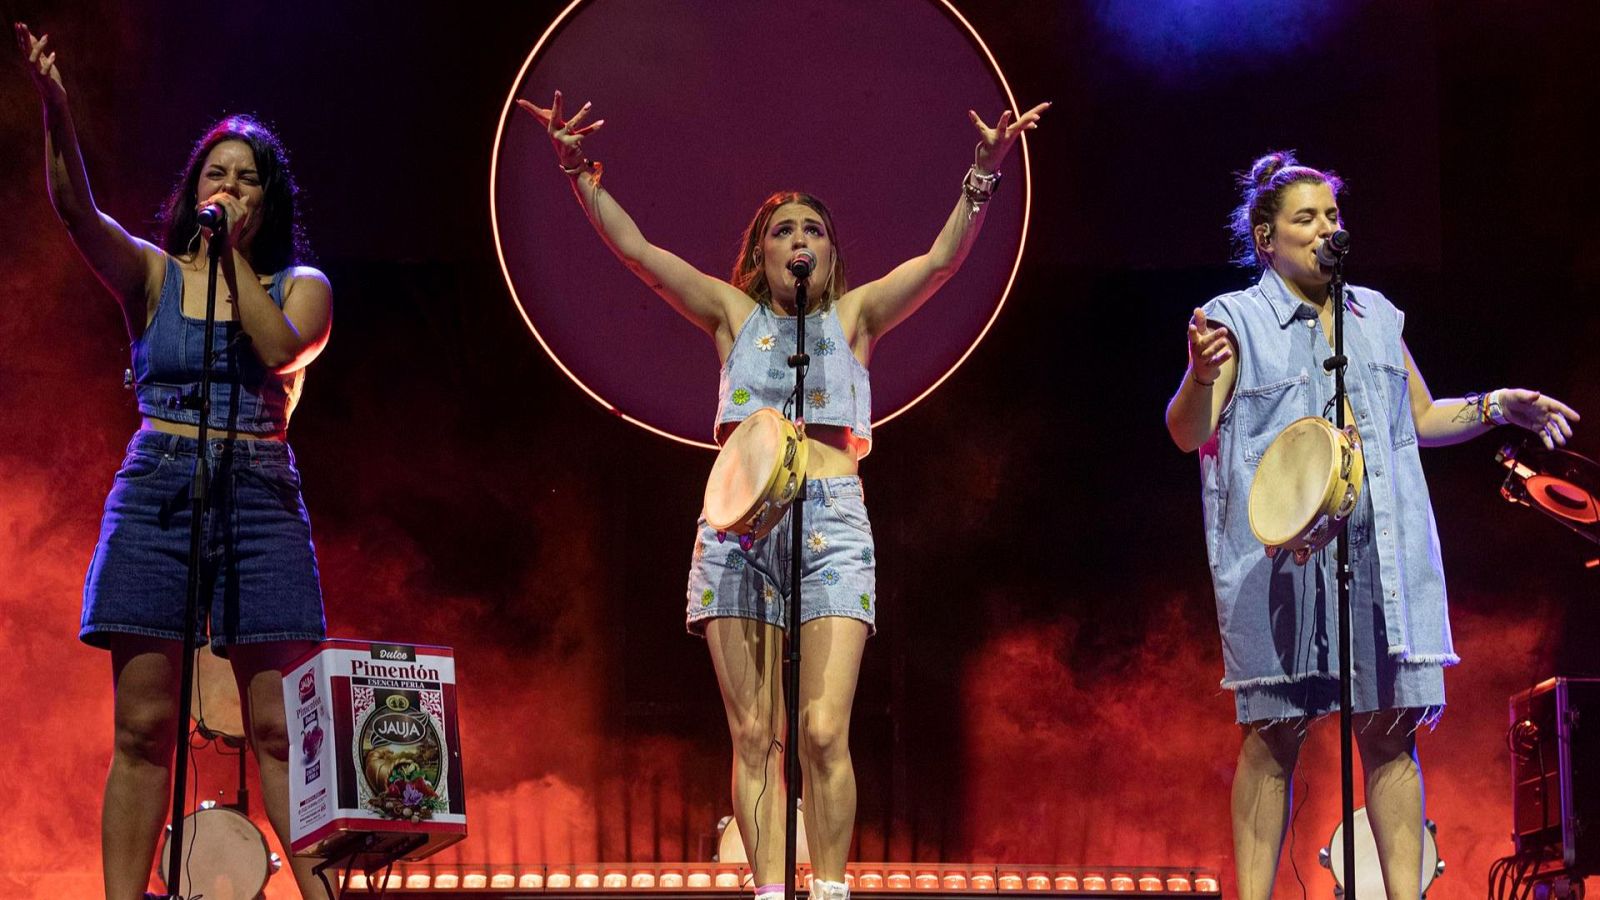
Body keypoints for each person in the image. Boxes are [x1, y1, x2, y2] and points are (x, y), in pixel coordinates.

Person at [518, 89, 1046, 900]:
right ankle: (768, 892)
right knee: (756, 733)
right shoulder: (732, 316)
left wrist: (982, 172)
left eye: (814, 230)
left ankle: (830, 890)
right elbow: (640, 255)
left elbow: (941, 262)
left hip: (833, 523)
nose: (799, 240)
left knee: (822, 731)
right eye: (782, 229)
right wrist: (578, 173)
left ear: (832, 253)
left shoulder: (858, 318)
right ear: (758, 252)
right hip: (737, 533)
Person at [1164, 150, 1580, 900]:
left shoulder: (1376, 316)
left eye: (1332, 214)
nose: (1327, 227)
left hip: (1378, 554)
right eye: (1306, 218)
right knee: (1273, 738)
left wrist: (1495, 405)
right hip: (1281, 564)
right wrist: (1198, 374)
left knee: (1390, 735)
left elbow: (1418, 416)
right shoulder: (1233, 319)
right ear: (1266, 239)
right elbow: (1188, 433)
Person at [17, 23, 334, 900]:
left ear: (266, 200)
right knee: (145, 725)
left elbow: (275, 354)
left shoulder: (298, 286)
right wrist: (57, 111)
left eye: (246, 177)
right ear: (193, 187)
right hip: (158, 486)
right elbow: (76, 212)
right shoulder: (152, 275)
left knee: (277, 728)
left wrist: (230, 260)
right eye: (214, 173)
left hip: (261, 496)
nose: (227, 187)